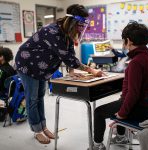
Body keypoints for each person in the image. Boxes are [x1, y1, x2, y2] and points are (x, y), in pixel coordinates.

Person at [15, 4, 103, 144]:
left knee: (40, 97)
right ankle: (37, 130)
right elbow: (67, 57)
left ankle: (43, 127)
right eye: (81, 24)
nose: (82, 27)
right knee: (32, 99)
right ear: (73, 21)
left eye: (84, 24)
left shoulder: (66, 31)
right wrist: (92, 70)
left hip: (41, 67)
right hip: (27, 65)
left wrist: (72, 72)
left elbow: (70, 52)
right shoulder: (53, 32)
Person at [92, 21, 148, 150]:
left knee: (98, 112)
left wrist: (122, 114)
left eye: (123, 41)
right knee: (120, 101)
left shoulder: (136, 62)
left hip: (139, 108)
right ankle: (120, 137)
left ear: (128, 41)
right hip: (146, 106)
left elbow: (133, 94)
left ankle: (97, 145)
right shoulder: (146, 57)